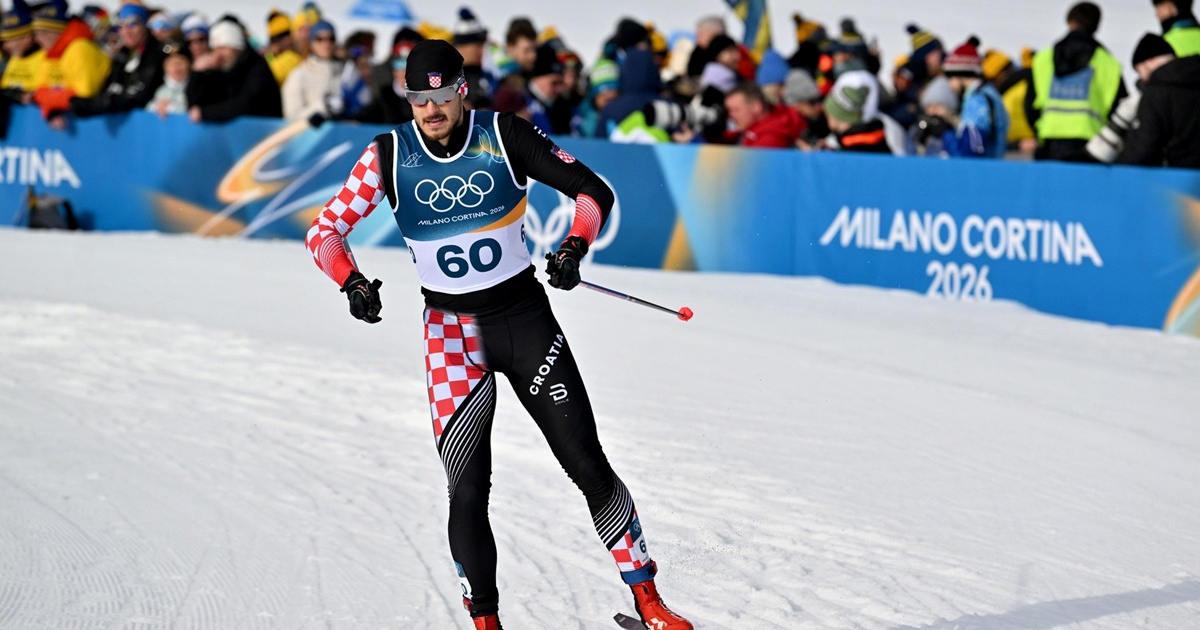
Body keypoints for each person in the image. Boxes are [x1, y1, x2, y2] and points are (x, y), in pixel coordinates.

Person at [304, 39, 694, 630]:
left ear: (462, 91)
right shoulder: (387, 154)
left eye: (441, 96)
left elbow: (593, 193)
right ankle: (485, 622)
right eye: (418, 98)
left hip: (524, 321)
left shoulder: (503, 134)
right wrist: (350, 280)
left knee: (587, 464)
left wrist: (573, 246)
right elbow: (325, 229)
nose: (430, 110)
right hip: (450, 336)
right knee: (467, 489)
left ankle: (649, 600)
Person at [1026, 1, 1127, 162]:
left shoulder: (1042, 59)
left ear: (1069, 22)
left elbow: (1029, 105)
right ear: (1096, 26)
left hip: (1049, 145)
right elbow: (1121, 111)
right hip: (1090, 149)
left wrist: (1041, 131)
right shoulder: (1109, 64)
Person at [69, 1, 166, 118]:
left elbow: (139, 97)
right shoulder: (123, 53)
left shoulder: (157, 53)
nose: (126, 31)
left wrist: (95, 105)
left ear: (144, 25)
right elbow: (110, 86)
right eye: (121, 25)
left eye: (133, 24)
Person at [1117, 33, 1200, 168]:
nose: (1142, 79)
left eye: (1139, 71)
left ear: (1149, 61)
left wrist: (1117, 168)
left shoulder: (1157, 90)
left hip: (1177, 180)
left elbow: (1143, 149)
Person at [30, 0, 112, 126]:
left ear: (56, 31)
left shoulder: (80, 48)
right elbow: (38, 92)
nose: (36, 39)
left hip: (97, 125)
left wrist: (51, 98)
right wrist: (51, 109)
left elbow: (84, 96)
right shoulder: (51, 53)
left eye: (41, 32)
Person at [186, 19, 282, 122]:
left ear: (237, 47)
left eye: (223, 48)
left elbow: (247, 104)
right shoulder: (221, 70)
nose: (218, 54)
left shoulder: (258, 68)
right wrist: (197, 74)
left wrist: (204, 113)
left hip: (266, 131)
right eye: (215, 49)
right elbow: (195, 104)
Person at [939, 38, 1009, 158]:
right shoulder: (990, 95)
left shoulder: (977, 102)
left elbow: (971, 152)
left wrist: (946, 134)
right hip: (992, 168)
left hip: (980, 173)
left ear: (960, 74)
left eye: (950, 78)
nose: (950, 86)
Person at [281, 19, 343, 122]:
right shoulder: (299, 75)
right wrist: (323, 106)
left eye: (331, 39)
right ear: (310, 43)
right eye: (320, 39)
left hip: (342, 135)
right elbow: (291, 116)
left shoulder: (343, 72)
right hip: (310, 135)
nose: (326, 44)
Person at [723, 81, 803, 148]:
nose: (730, 116)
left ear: (756, 107)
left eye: (736, 110)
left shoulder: (770, 138)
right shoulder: (758, 127)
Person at [145, 39, 189, 117]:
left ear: (188, 65)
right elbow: (147, 111)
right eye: (172, 64)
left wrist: (171, 107)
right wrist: (157, 106)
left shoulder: (193, 87)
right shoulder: (161, 90)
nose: (176, 68)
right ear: (165, 67)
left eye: (180, 63)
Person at [264, 9, 301, 85]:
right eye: (277, 39)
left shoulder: (296, 55)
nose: (287, 40)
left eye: (288, 34)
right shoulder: (269, 56)